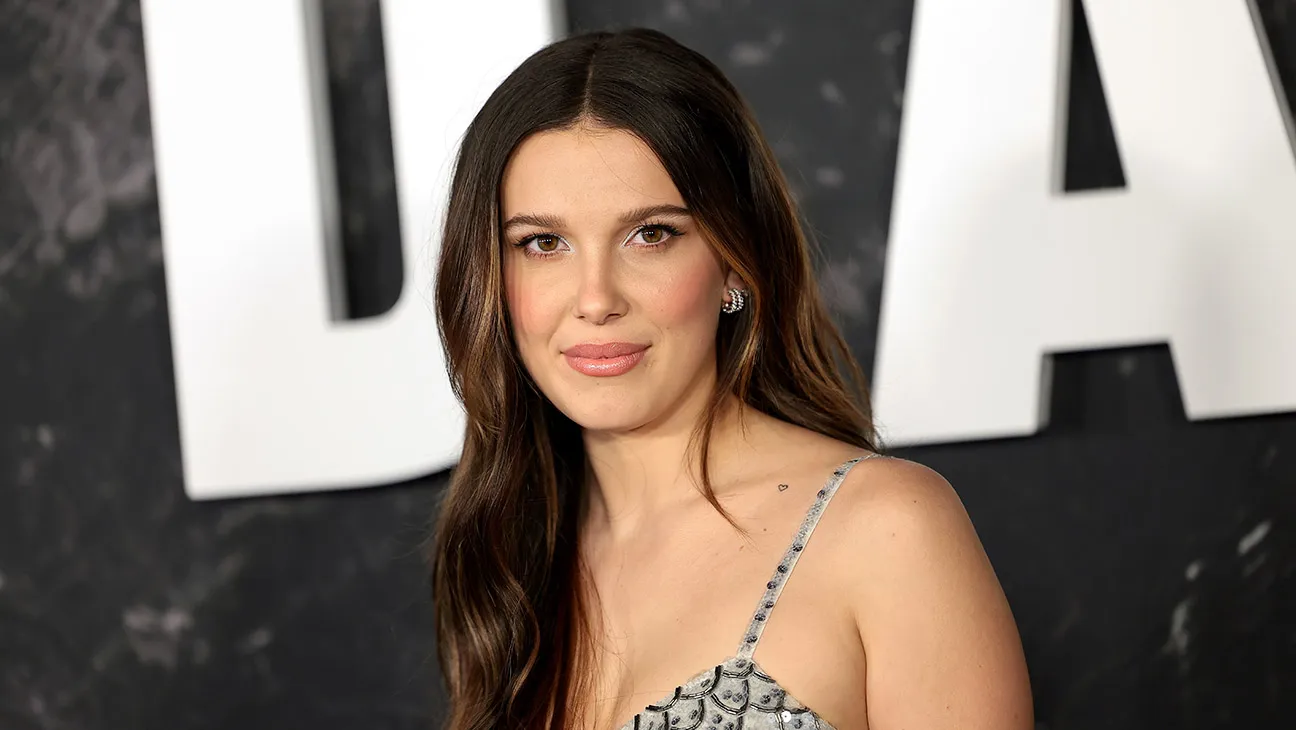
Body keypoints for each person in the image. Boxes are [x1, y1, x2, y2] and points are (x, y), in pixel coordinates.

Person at [431, 28, 1032, 730]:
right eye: (543, 243)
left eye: (651, 235)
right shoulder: (509, 565)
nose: (595, 298)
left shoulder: (887, 530)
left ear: (734, 263)